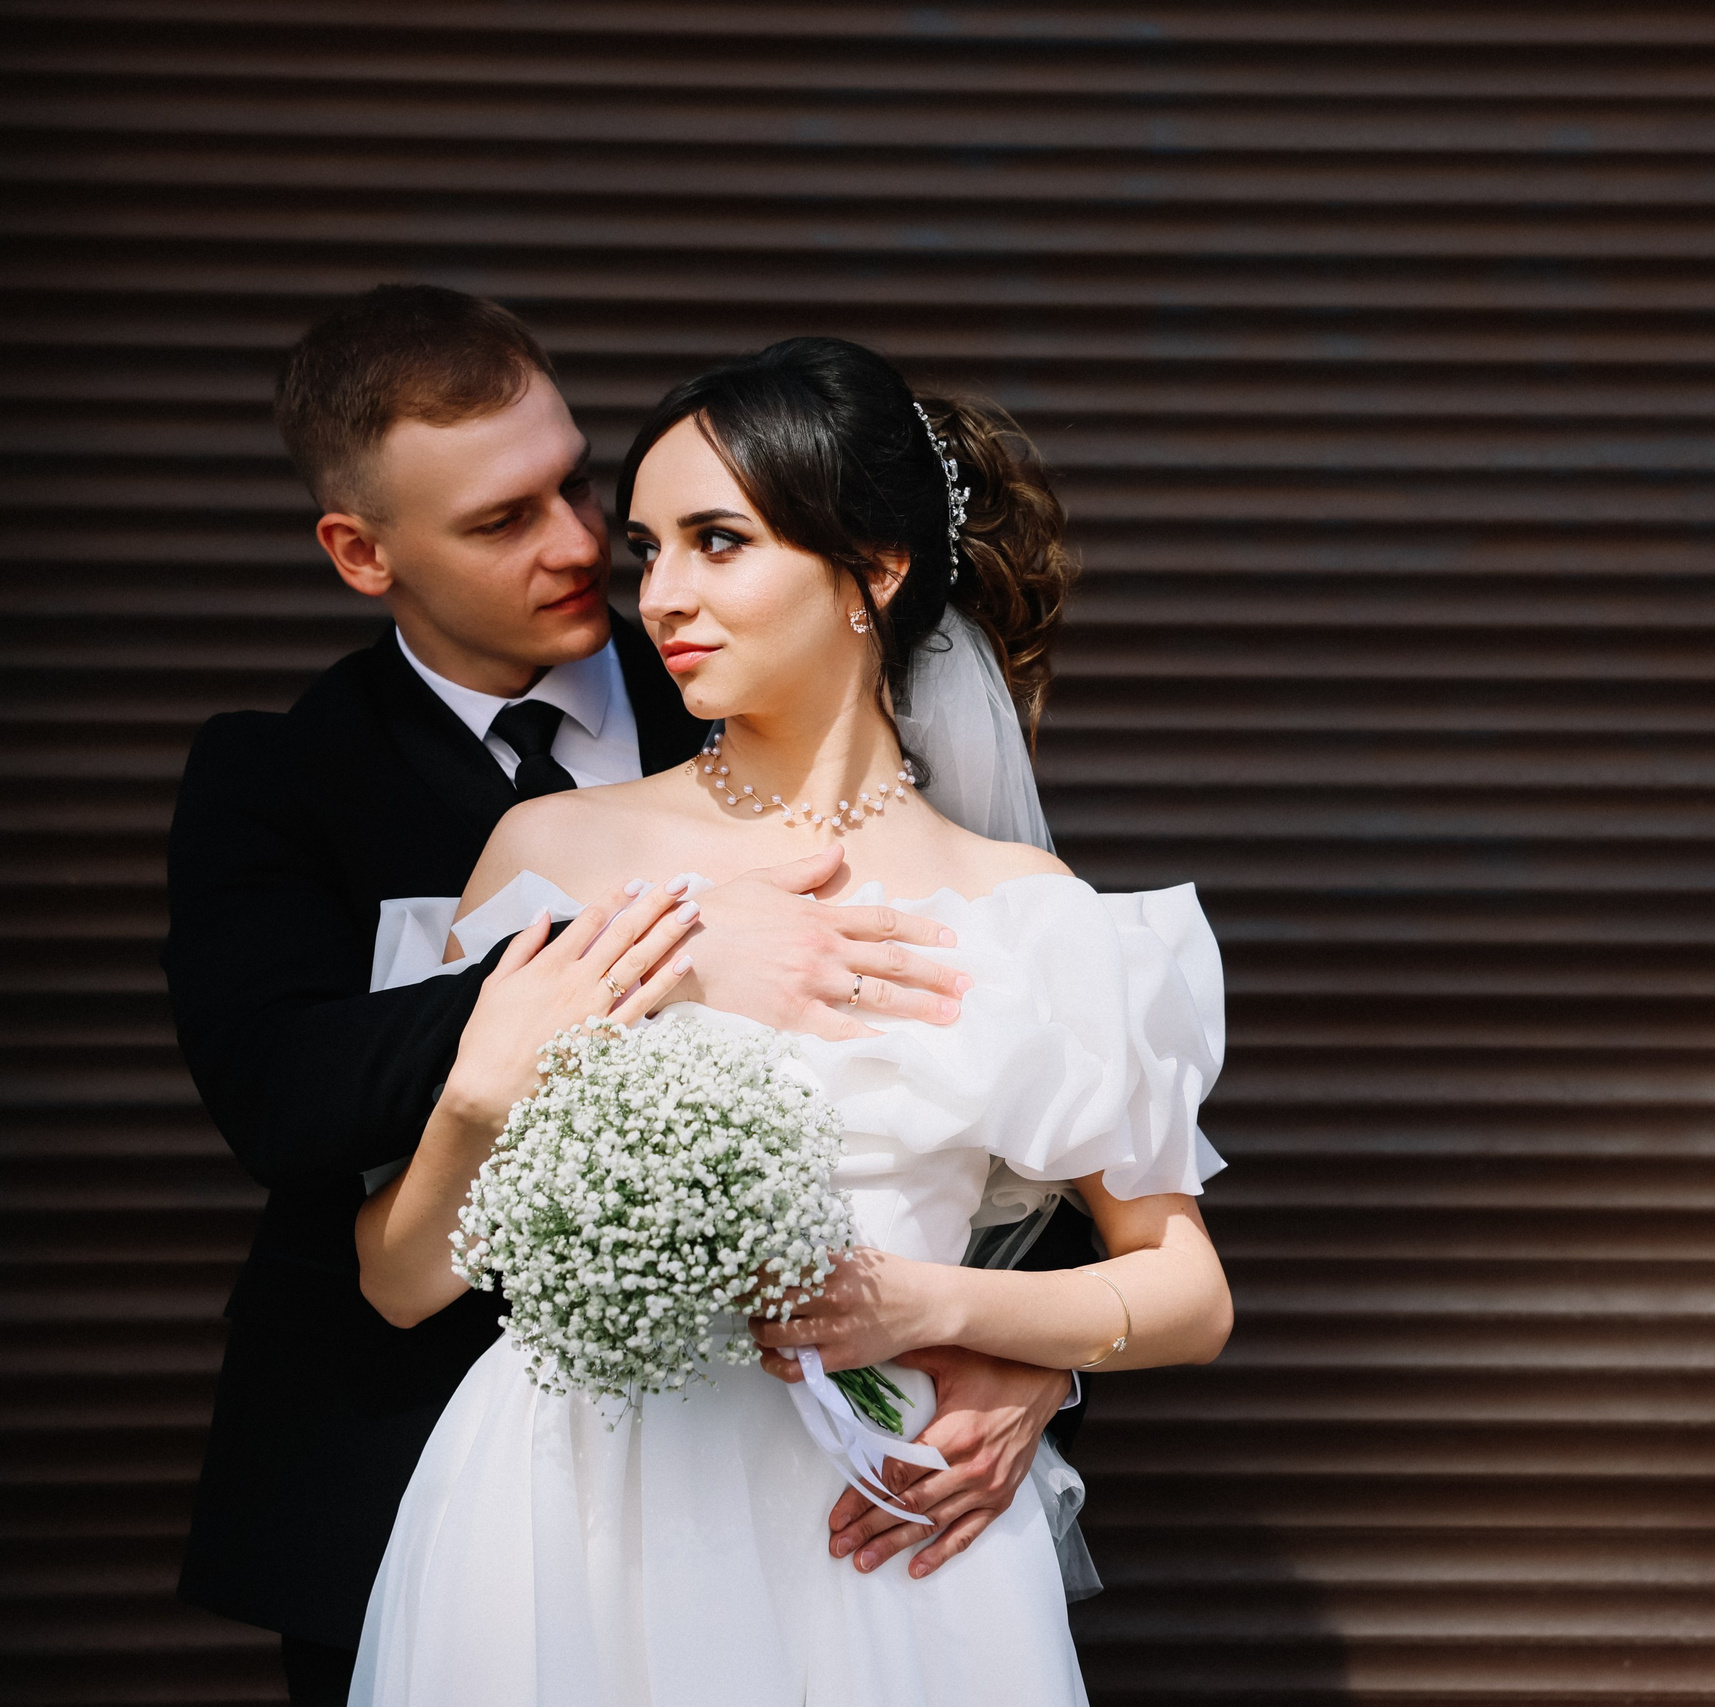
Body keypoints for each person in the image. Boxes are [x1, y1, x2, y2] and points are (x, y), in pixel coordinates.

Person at [164, 289, 1078, 1707]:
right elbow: (283, 1093)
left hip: (827, 1482)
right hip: (423, 1484)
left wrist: (1035, 1358)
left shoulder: (770, 676)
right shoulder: (278, 783)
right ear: (362, 553)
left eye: (576, 483)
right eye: (500, 521)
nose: (589, 548)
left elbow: (1023, 1052)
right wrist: (656, 960)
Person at [343, 336, 1231, 1705]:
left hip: (868, 1531)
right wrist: (476, 1098)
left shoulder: (1031, 910)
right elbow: (401, 1282)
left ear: (873, 568)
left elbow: (1187, 1294)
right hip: (556, 1515)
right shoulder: (554, 850)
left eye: (719, 541)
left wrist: (935, 1309)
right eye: (650, 550)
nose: (665, 597)